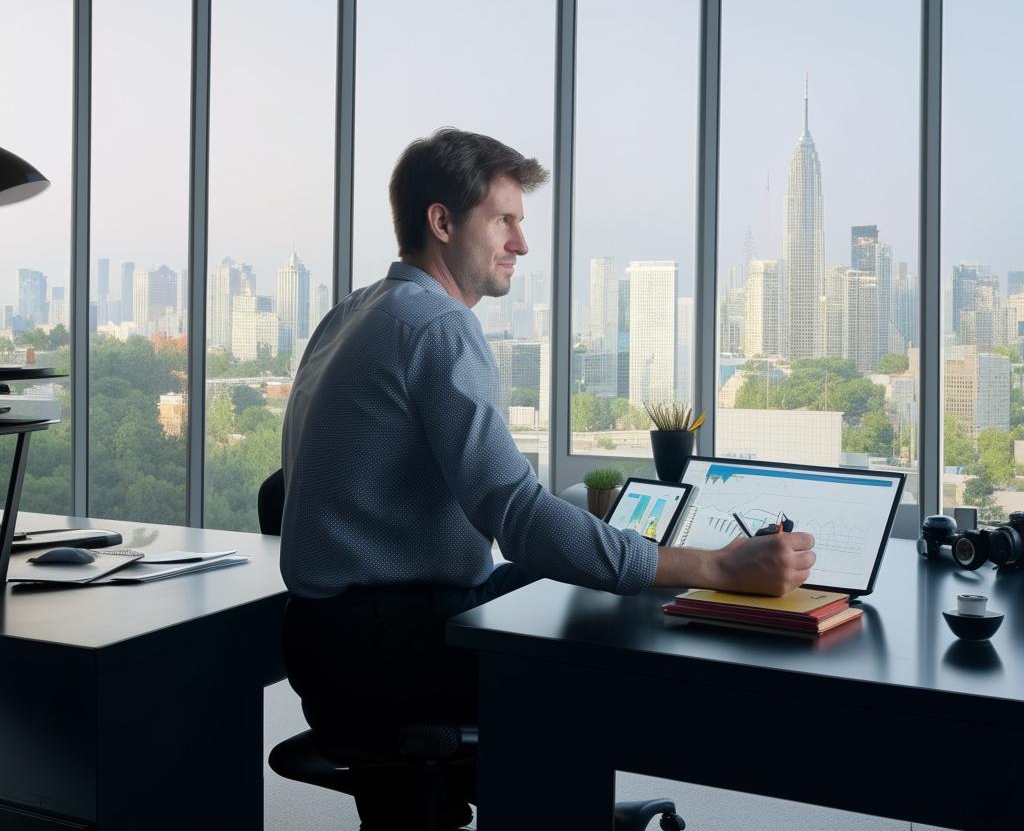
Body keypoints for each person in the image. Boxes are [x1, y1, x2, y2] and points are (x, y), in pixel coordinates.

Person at [280, 128, 815, 830]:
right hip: (387, 647)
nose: (522, 244)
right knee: (617, 616)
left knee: (591, 586)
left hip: (327, 640)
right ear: (441, 222)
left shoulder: (354, 310)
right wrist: (711, 562)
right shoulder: (437, 326)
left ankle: (551, 797)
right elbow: (520, 518)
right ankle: (560, 807)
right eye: (504, 220)